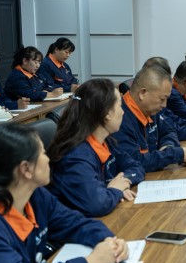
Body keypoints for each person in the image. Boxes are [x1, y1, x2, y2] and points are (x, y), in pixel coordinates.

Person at [0, 123, 129, 263]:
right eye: (43, 153)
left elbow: (76, 223)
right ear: (26, 169)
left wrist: (108, 242)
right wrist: (91, 262)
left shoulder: (35, 195)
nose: (48, 159)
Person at [47, 79, 145, 217]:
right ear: (107, 113)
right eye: (120, 106)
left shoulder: (106, 142)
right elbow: (97, 203)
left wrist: (122, 183)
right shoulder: (75, 155)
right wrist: (115, 190)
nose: (123, 112)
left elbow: (136, 167)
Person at [113, 64, 186, 172]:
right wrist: (174, 154)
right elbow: (134, 162)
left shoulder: (150, 109)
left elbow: (168, 130)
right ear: (143, 93)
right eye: (162, 99)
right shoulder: (119, 120)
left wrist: (168, 146)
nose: (164, 105)